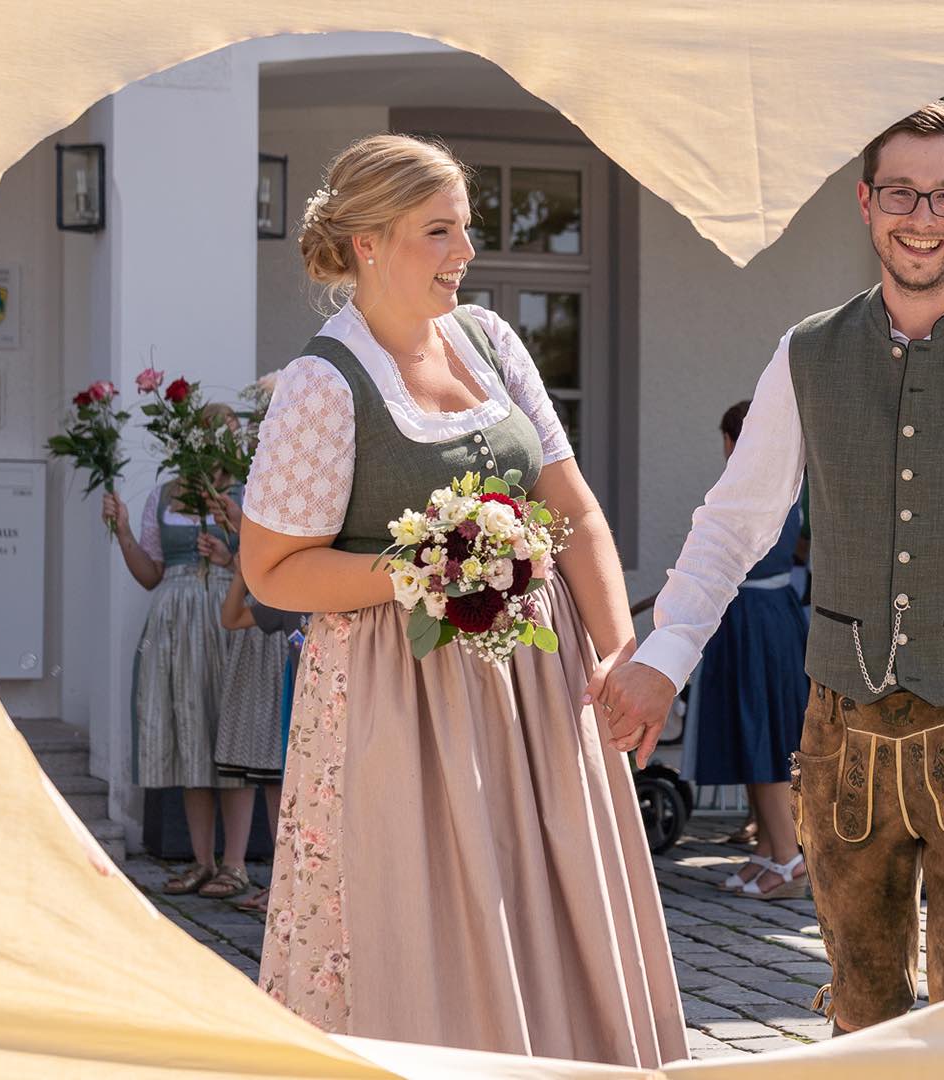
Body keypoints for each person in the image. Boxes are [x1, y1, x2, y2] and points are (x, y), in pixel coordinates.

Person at [598, 101, 944, 1034]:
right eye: (902, 192)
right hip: (842, 731)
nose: (923, 214)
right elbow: (735, 522)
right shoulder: (808, 351)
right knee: (861, 1011)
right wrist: (664, 655)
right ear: (866, 203)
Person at [239, 133, 684, 1065]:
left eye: (466, 229)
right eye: (439, 231)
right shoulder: (324, 385)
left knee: (550, 900)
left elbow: (576, 511)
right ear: (368, 243)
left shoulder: (491, 341)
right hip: (400, 699)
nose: (466, 253)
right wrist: (426, 567)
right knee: (423, 912)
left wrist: (618, 653)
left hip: (542, 690)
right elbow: (272, 571)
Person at [102, 460, 258, 901]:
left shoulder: (248, 494)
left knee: (230, 738)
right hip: (174, 622)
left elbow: (265, 558)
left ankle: (236, 864)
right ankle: (203, 860)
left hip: (228, 618)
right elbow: (150, 575)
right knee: (191, 734)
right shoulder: (164, 494)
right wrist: (123, 530)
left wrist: (229, 557)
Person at [693, 400, 811, 900]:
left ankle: (789, 857)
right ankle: (769, 847)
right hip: (763, 616)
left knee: (765, 734)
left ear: (729, 440)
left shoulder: (755, 482)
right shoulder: (787, 481)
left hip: (757, 622)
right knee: (752, 733)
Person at [216, 556, 302, 912]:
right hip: (299, 713)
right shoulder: (291, 599)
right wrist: (242, 571)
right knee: (288, 795)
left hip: (340, 713)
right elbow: (231, 618)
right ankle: (284, 887)